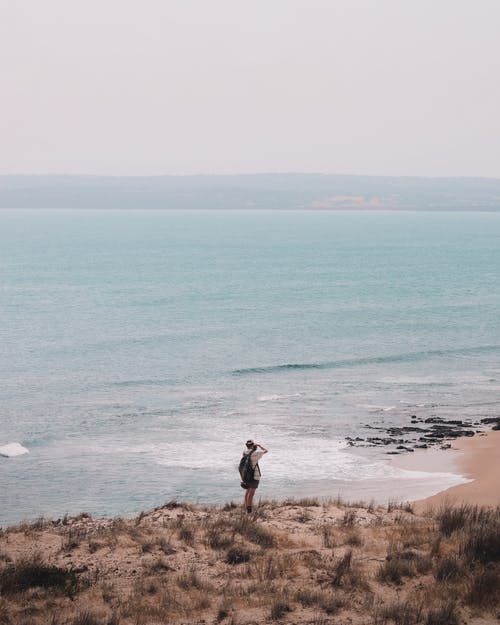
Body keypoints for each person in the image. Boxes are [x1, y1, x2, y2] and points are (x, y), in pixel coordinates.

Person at [242, 439, 268, 513]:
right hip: (254, 476)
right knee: (251, 494)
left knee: (247, 492)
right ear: (253, 445)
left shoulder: (244, 452)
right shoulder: (256, 453)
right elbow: (266, 450)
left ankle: (246, 507)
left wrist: (253, 447)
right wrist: (259, 446)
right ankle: (249, 511)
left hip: (246, 476)